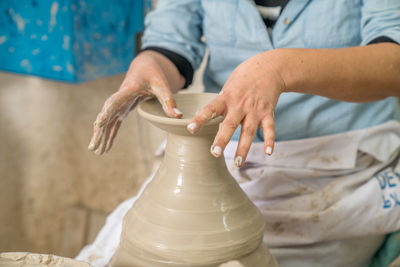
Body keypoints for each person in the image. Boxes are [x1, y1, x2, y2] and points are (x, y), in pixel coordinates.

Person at [82, 1, 400, 266]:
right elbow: (171, 41)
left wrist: (283, 68)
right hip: (222, 156)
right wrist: (148, 65)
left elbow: (394, 60)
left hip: (336, 170)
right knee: (117, 250)